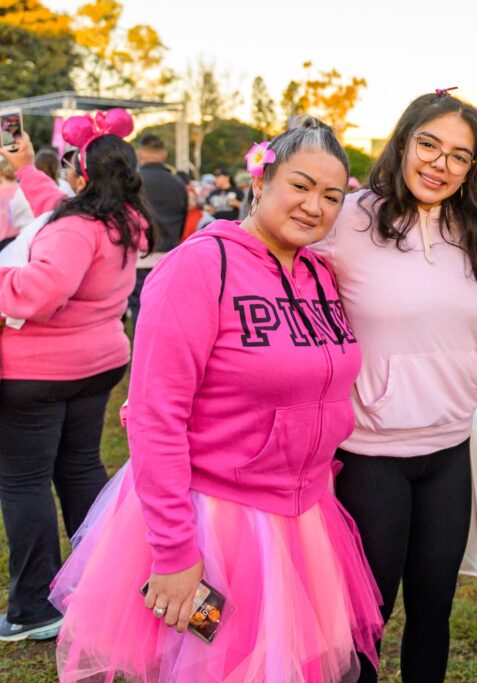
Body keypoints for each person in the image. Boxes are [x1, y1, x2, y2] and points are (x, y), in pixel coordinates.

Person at [48, 118, 384, 681]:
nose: (314, 206)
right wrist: (175, 553)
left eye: (331, 195)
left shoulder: (321, 276)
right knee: (215, 666)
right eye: (300, 185)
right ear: (261, 181)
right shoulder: (198, 267)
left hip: (303, 518)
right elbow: (156, 418)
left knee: (287, 665)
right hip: (217, 522)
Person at [311, 91, 477, 683]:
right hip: (370, 455)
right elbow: (274, 280)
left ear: (473, 169)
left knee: (433, 609)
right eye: (428, 144)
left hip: (450, 451)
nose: (439, 164)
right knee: (366, 617)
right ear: (402, 142)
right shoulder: (347, 219)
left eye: (459, 156)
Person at [0, 112, 153, 642]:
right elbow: (56, 217)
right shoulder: (124, 219)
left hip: (36, 374)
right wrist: (25, 168)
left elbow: (40, 292)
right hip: (97, 365)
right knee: (80, 469)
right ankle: (99, 579)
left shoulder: (76, 227)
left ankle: (35, 607)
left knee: (24, 482)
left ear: (81, 174)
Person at [131, 134, 188, 323]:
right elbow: (183, 219)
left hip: (139, 257)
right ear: (163, 154)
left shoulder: (133, 182)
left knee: (140, 311)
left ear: (140, 153)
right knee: (166, 313)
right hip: (170, 255)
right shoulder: (178, 184)